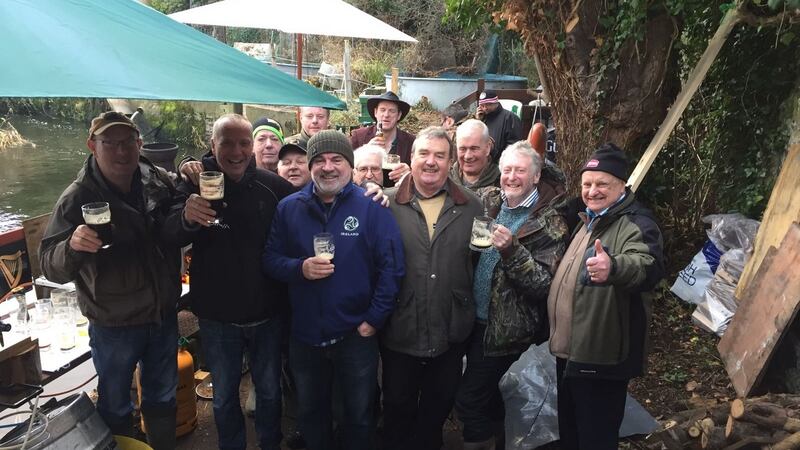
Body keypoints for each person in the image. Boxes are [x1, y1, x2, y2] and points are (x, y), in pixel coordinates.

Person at [39, 111, 183, 450]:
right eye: (110, 143)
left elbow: (179, 193)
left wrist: (191, 167)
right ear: (92, 145)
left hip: (162, 313)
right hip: (114, 324)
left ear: (139, 143)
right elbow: (48, 264)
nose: (121, 151)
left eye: (127, 142)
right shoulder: (77, 197)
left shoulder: (154, 178)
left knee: (163, 396)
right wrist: (72, 246)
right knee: (116, 404)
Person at [263, 130, 405, 450]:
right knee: (311, 413)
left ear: (350, 166)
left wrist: (373, 320)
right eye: (320, 160)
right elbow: (270, 260)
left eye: (336, 159)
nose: (328, 167)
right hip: (305, 334)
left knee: (357, 415)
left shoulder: (371, 207)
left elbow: (392, 268)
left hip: (355, 334)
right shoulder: (288, 208)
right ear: (311, 166)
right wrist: (299, 268)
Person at [165, 114, 295, 450]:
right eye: (227, 143)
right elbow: (169, 233)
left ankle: (270, 443)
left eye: (243, 143)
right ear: (213, 145)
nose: (236, 152)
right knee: (223, 396)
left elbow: (309, 208)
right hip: (217, 316)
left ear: (252, 147)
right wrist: (186, 217)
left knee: (270, 392)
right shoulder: (194, 184)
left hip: (267, 313)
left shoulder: (273, 186)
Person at [547, 143, 664, 450]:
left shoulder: (636, 223)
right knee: (571, 433)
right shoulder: (588, 219)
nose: (592, 191)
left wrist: (614, 267)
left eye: (602, 184)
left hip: (601, 355)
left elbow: (647, 265)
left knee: (596, 438)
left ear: (622, 185)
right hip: (569, 352)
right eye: (587, 184)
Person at [455, 141, 567, 450]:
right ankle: (501, 439)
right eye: (507, 170)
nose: (511, 177)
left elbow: (543, 285)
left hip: (507, 331)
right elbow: (451, 194)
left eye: (520, 170)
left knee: (469, 400)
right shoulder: (490, 201)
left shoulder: (549, 221)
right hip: (471, 321)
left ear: (536, 176)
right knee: (490, 397)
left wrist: (512, 251)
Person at [381, 126, 484, 450]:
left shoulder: (471, 206)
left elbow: (476, 262)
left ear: (451, 162)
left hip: (449, 326)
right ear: (411, 158)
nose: (431, 161)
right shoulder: (386, 204)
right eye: (424, 153)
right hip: (400, 324)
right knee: (396, 406)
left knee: (437, 408)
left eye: (440, 155)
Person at [350, 91, 414, 182]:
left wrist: (409, 172)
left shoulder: (411, 141)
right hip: (365, 189)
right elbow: (346, 168)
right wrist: (366, 150)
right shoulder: (358, 136)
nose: (386, 115)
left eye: (392, 111)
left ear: (399, 115)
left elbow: (420, 173)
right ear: (375, 112)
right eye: (382, 110)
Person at [449, 119, 500, 194]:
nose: (467, 156)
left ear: (487, 148)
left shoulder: (502, 183)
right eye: (462, 149)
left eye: (474, 149)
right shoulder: (445, 180)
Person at [476, 90, 522, 163]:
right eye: (482, 105)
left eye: (488, 105)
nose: (485, 108)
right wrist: (479, 122)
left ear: (496, 103)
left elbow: (514, 145)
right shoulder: (482, 118)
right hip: (483, 162)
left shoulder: (510, 118)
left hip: (500, 163)